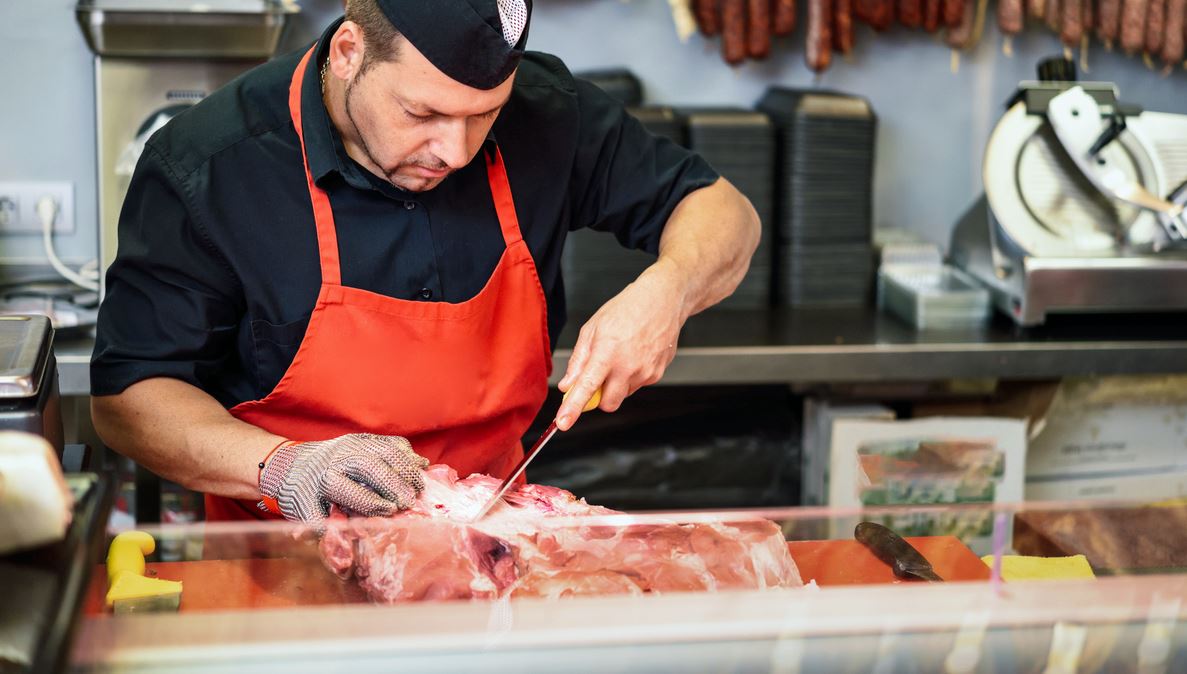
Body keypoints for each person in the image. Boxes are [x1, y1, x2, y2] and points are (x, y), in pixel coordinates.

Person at [90, 0, 760, 523]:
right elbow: (128, 397)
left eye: (484, 115)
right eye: (422, 112)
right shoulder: (212, 165)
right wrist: (284, 469)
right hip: (278, 560)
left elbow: (722, 211)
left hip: (487, 542)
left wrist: (666, 292)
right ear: (349, 52)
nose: (456, 151)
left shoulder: (546, 115)